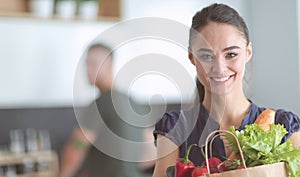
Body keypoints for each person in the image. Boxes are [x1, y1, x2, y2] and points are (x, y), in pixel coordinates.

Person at [152, 3, 300, 177]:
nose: (220, 68)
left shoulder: (283, 126)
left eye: (231, 54)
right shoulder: (176, 127)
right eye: (207, 56)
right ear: (192, 57)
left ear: (248, 52)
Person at [59, 43, 153, 177]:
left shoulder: (101, 103)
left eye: (94, 64)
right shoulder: (135, 103)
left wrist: (62, 174)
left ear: (109, 66)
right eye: (86, 64)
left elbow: (77, 147)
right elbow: (152, 151)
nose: (87, 70)